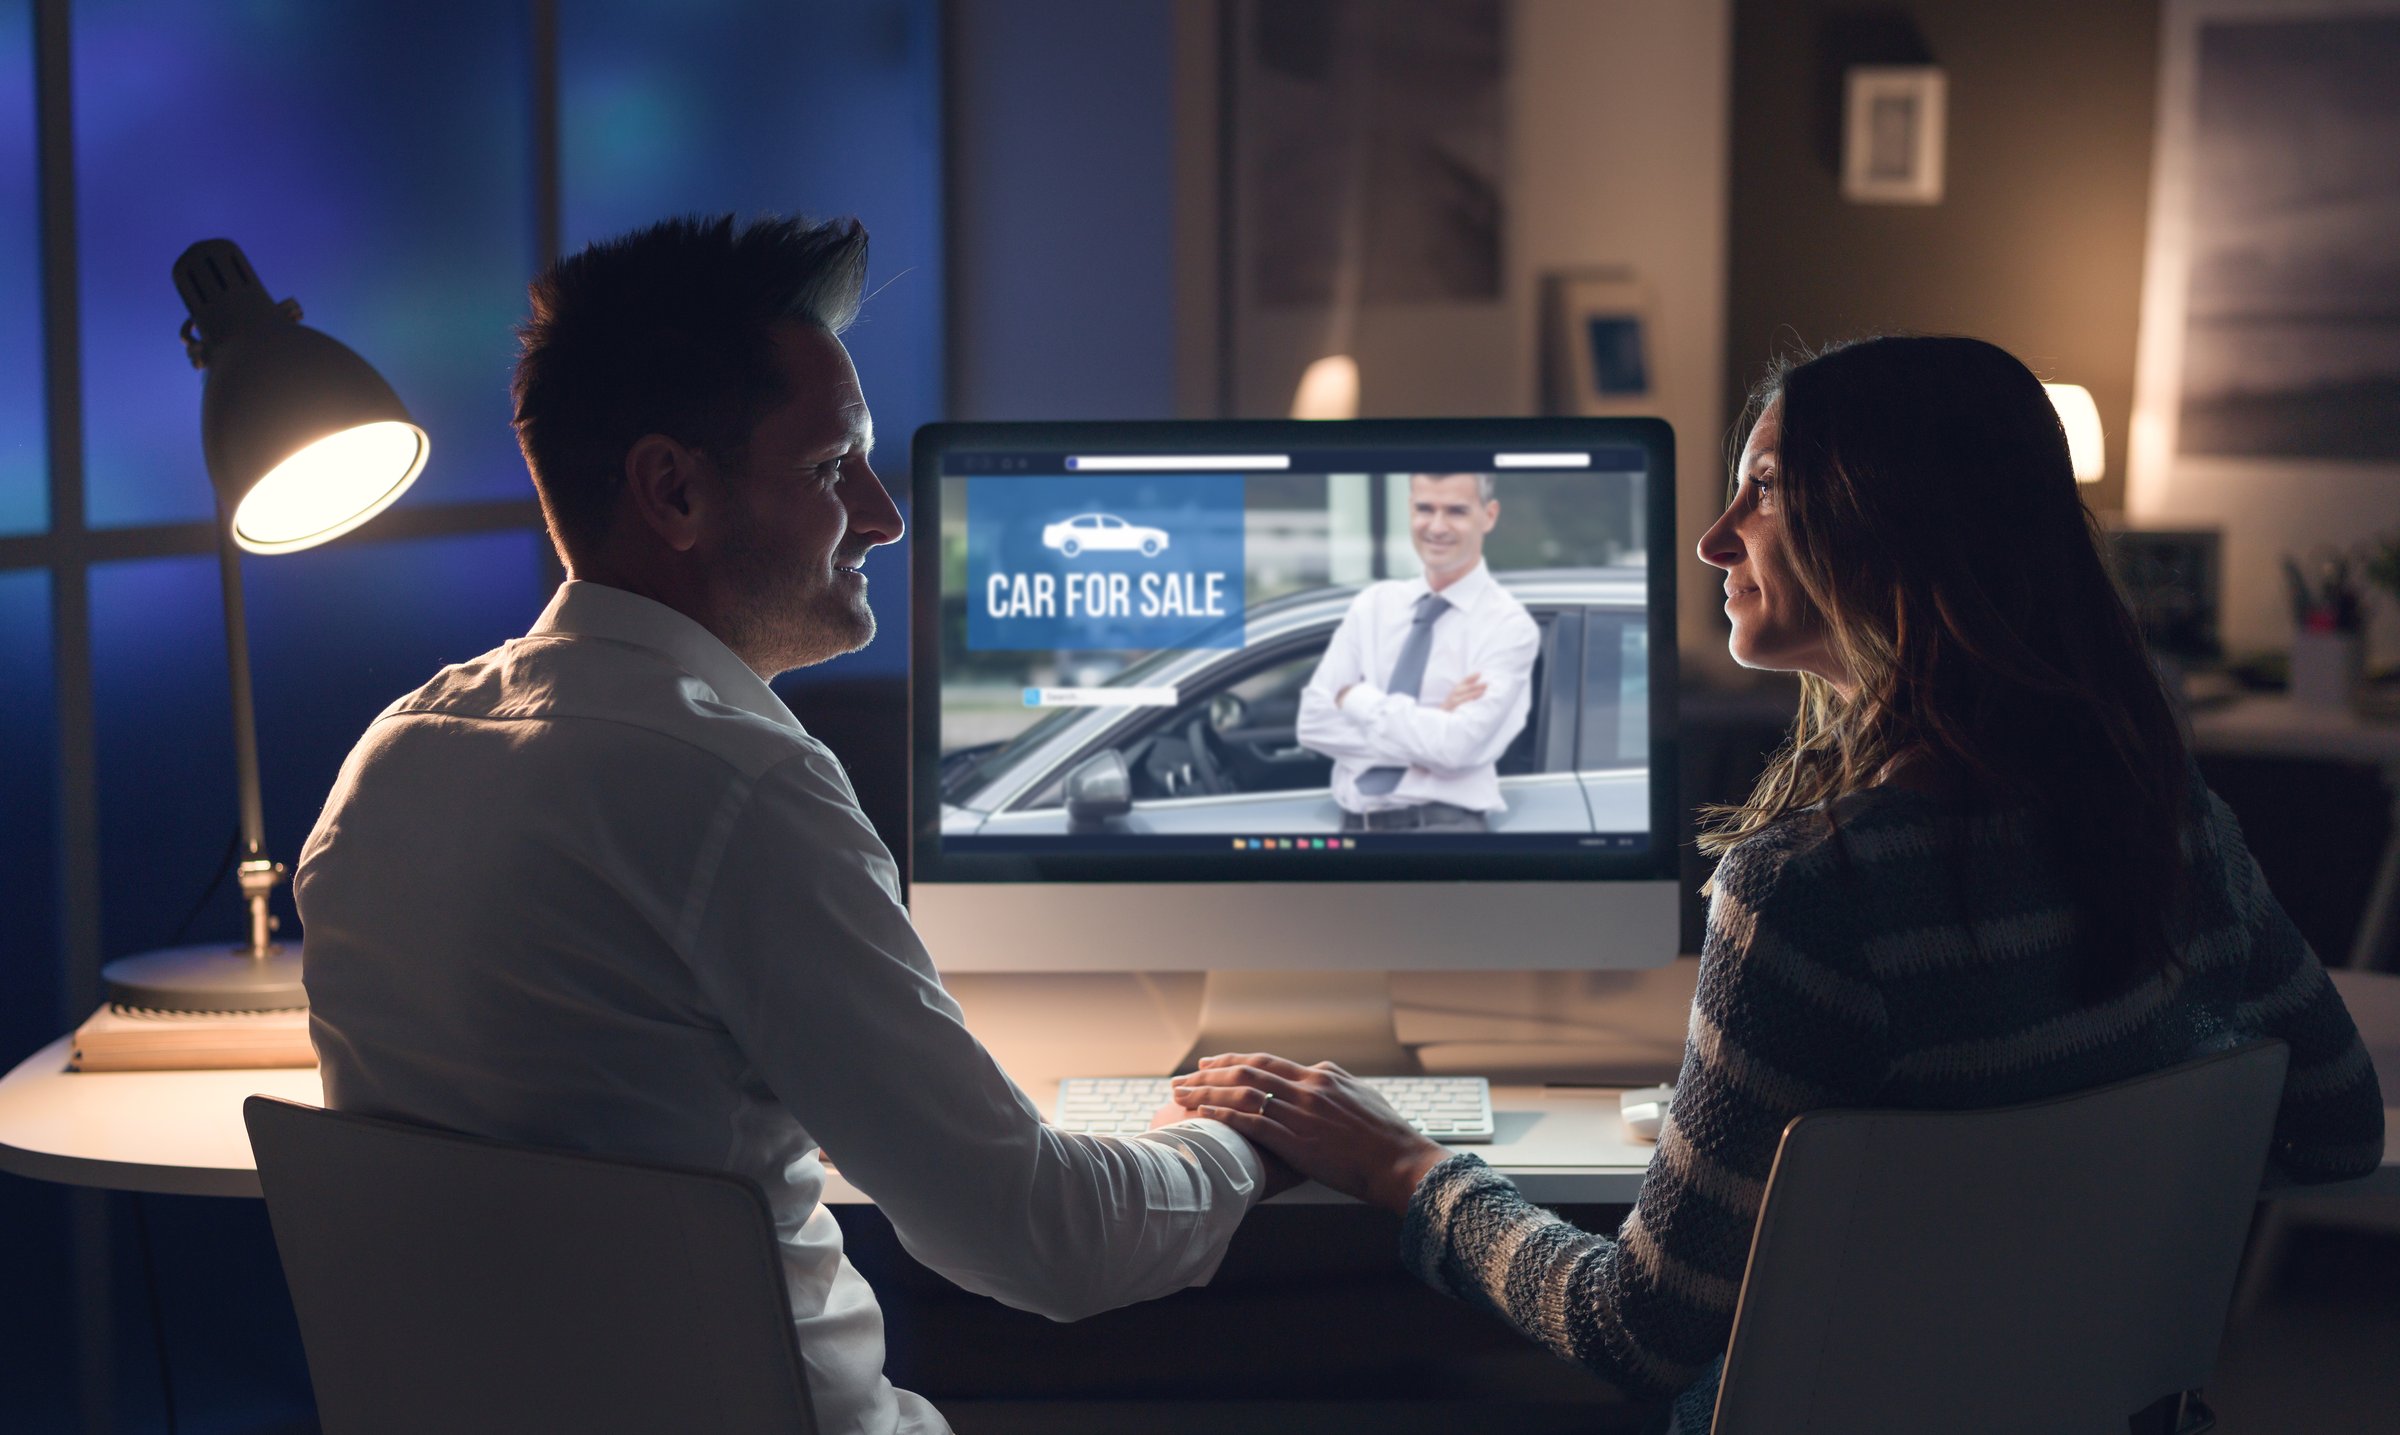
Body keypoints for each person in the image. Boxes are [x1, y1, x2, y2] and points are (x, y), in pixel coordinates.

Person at [1173, 336, 2385, 1430]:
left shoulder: (1816, 889)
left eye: (1761, 486)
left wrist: (1400, 1165)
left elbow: (1637, 1332)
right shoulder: (2168, 816)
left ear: (1890, 522)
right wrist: (2058, 1218)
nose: (1715, 536)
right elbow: (2333, 1128)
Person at [294, 215, 1273, 1435]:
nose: (883, 514)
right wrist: (1248, 1141)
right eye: (831, 467)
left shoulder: (387, 763)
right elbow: (1044, 1240)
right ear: (675, 489)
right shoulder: (738, 785)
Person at [1294, 472, 1541, 832]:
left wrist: (1358, 700)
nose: (1437, 527)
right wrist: (1432, 723)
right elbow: (1313, 722)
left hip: (1445, 835)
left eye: (1456, 511)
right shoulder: (1374, 605)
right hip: (1353, 832)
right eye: (1425, 508)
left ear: (1488, 515)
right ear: (1410, 509)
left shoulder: (1509, 626)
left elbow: (1456, 749)